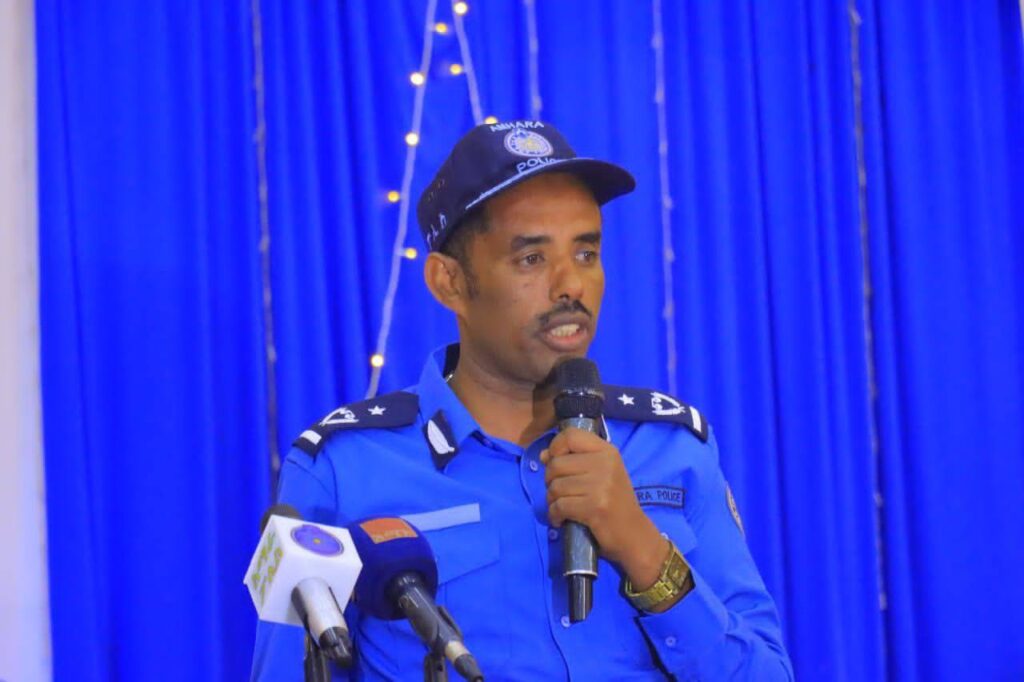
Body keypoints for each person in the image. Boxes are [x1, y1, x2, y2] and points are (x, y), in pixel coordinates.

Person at [251, 121, 793, 680]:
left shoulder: (672, 447)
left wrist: (643, 548)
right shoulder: (340, 469)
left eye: (586, 253)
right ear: (449, 282)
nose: (571, 285)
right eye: (532, 258)